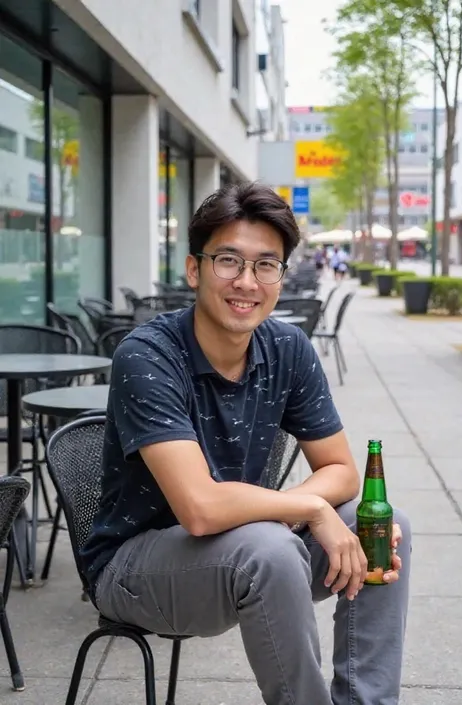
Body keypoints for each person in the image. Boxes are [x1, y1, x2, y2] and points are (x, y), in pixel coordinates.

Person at [81, 182, 411, 705]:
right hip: (134, 570)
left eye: (265, 265)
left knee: (377, 523)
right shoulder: (146, 355)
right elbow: (200, 509)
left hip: (250, 552)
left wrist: (301, 511)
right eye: (229, 261)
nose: (247, 282)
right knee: (270, 548)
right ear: (195, 269)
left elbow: (342, 472)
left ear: (281, 276)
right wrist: (305, 512)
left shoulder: (287, 347)